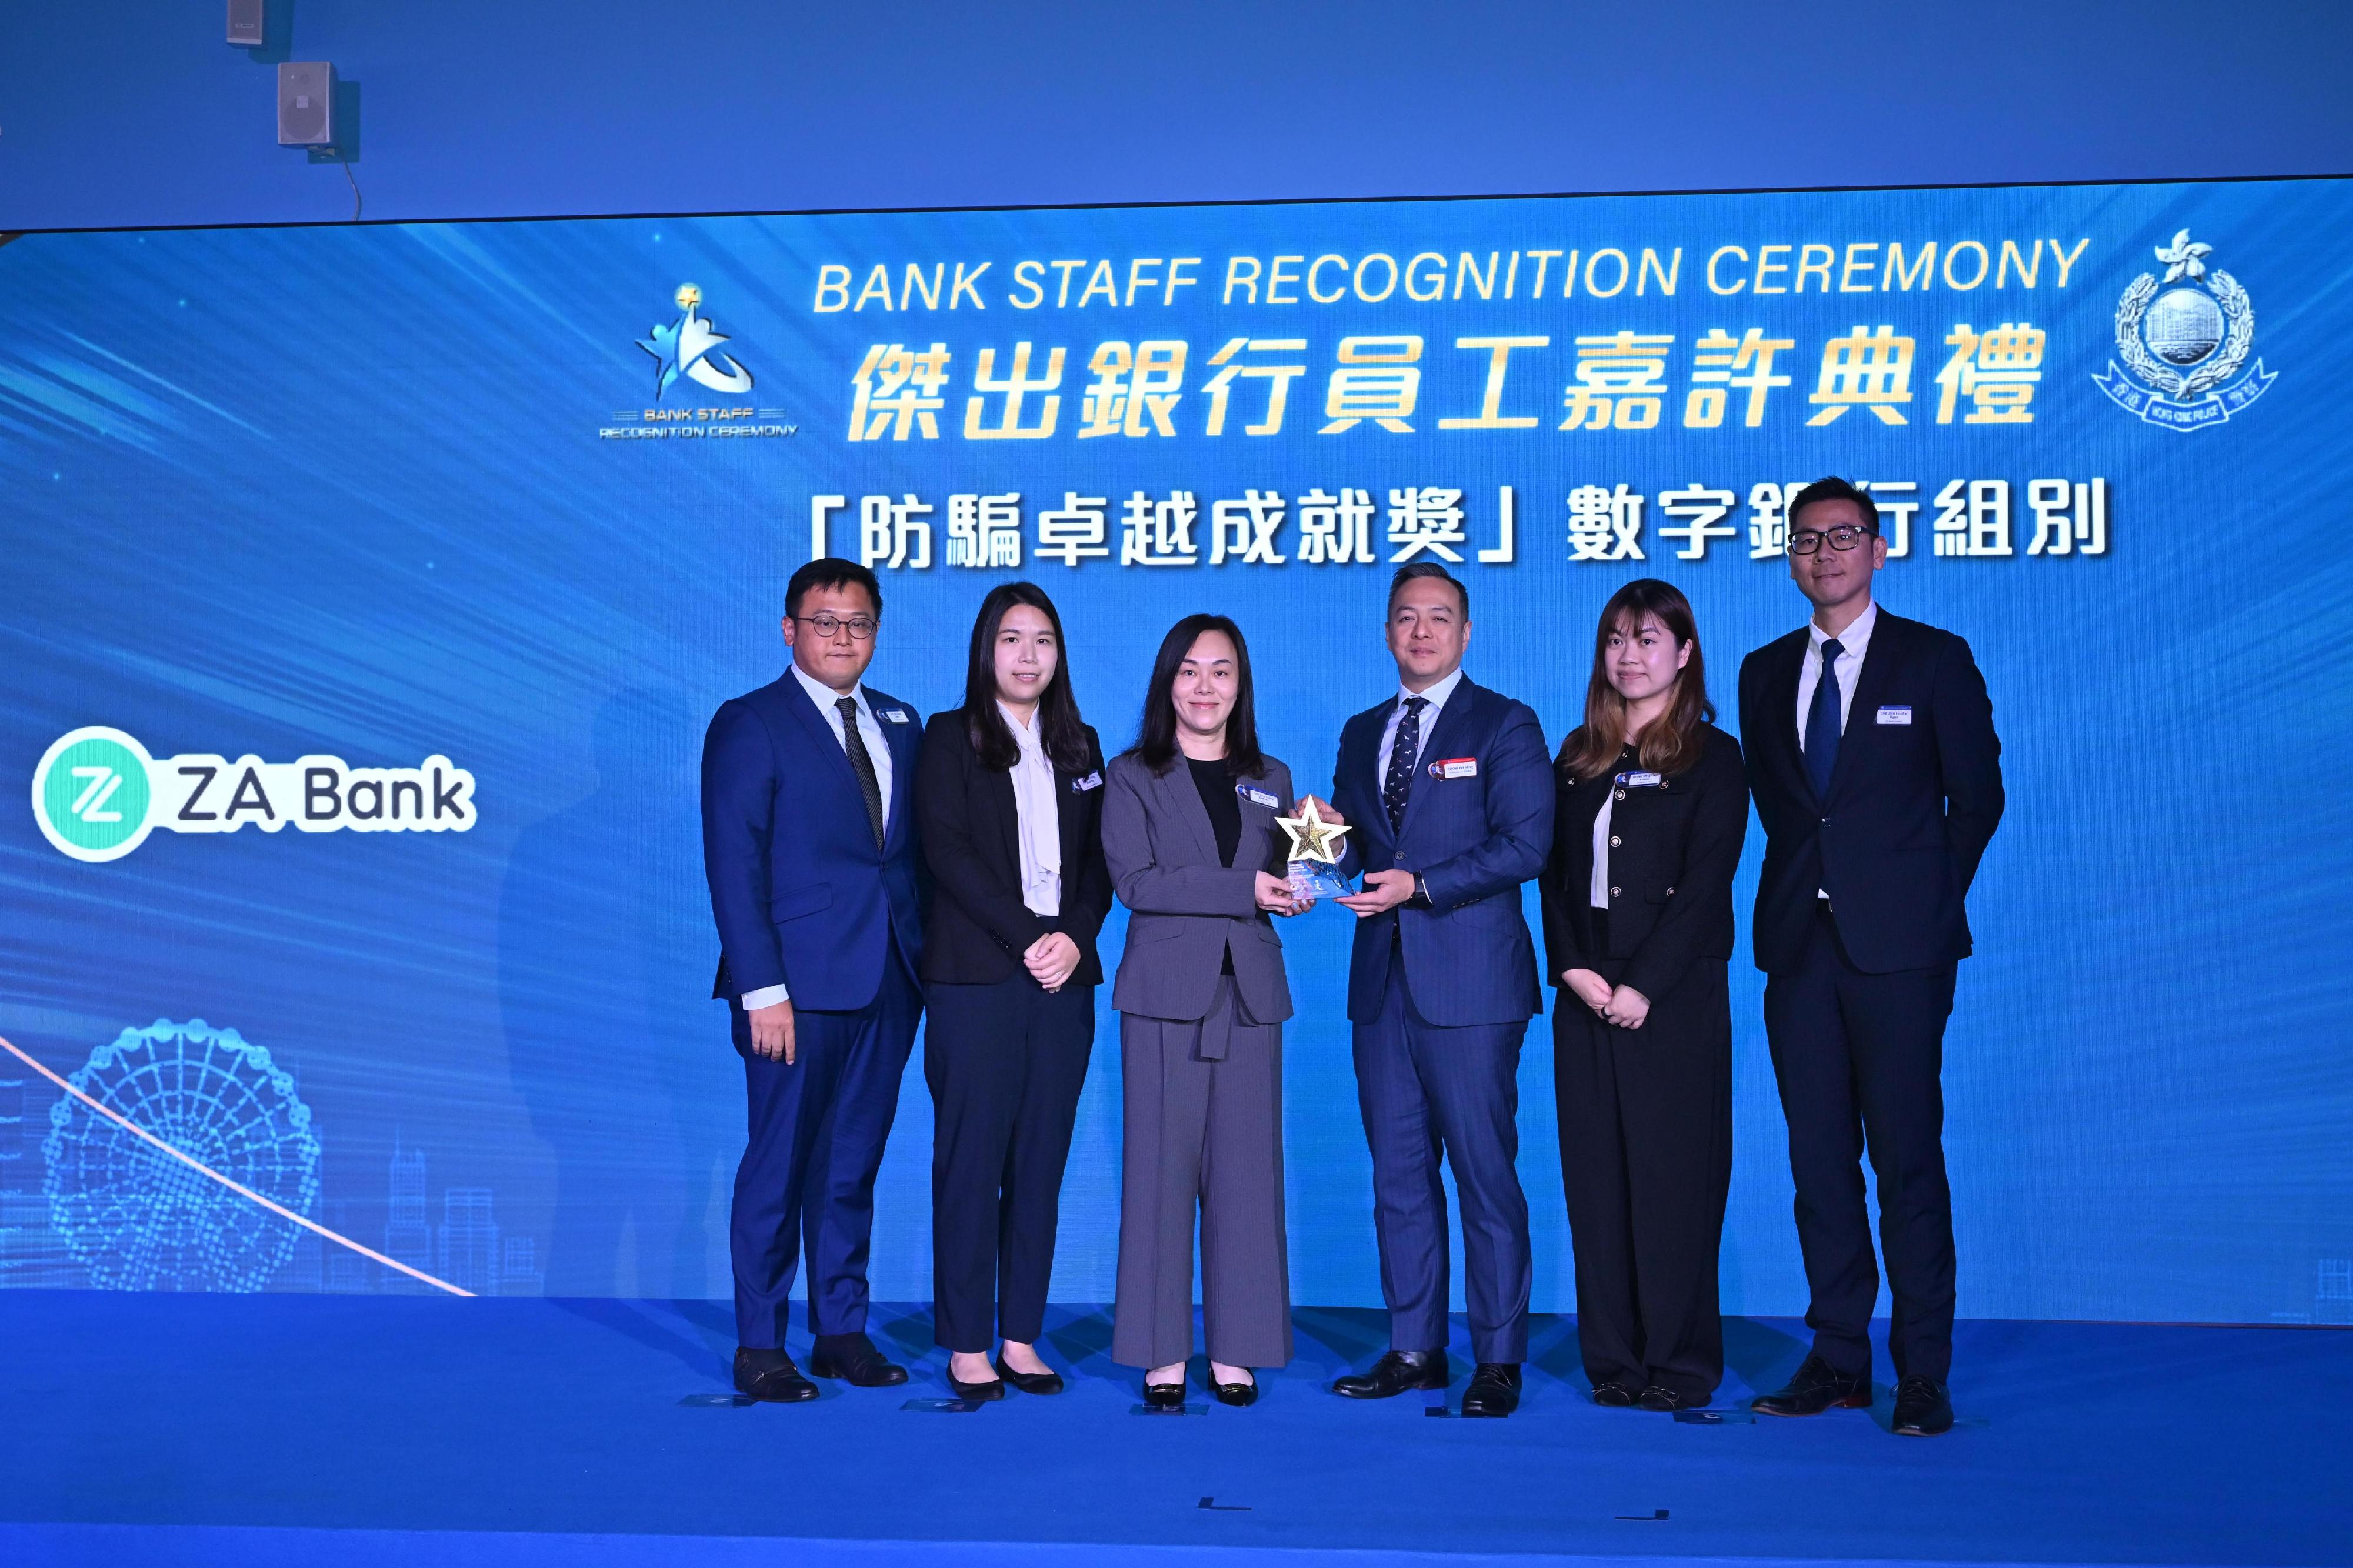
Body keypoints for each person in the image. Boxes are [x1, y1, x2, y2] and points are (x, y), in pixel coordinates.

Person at [1739, 477, 2004, 1439]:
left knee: (1906, 1159)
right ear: (1790, 556)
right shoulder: (1765, 670)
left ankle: (1922, 1370)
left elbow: (1977, 798)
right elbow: (1787, 810)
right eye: (1807, 540)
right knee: (1819, 1163)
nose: (1826, 554)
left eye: (1844, 536)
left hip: (1899, 955)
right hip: (1799, 952)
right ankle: (1839, 1357)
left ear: (1879, 548)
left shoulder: (1933, 660)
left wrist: (1920, 901)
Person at [1309, 563, 1554, 1419]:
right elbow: (1352, 850)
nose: (1421, 632)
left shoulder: (1505, 724)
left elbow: (1527, 845)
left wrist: (1421, 884)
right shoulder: (1362, 729)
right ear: (1386, 631)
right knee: (1399, 1176)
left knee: (1485, 1173)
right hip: (1382, 985)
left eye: (1439, 617)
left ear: (1466, 631)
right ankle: (1416, 1345)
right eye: (1406, 618)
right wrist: (1315, 844)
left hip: (1473, 984)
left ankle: (1498, 1357)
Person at [700, 557, 926, 1402]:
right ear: (790, 628)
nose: (843, 636)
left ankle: (840, 1329)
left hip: (890, 981)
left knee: (850, 1166)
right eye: (826, 621)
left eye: (859, 622)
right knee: (779, 1166)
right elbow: (734, 863)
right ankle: (760, 1343)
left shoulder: (901, 721)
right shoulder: (750, 723)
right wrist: (762, 988)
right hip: (791, 993)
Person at [1539, 580, 1747, 1412]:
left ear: (1686, 653)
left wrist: (1643, 985)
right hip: (1586, 992)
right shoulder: (1577, 754)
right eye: (1617, 640)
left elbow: (1706, 888)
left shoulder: (1713, 757)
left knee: (1674, 1179)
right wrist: (1574, 969)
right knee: (1598, 1182)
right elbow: (1552, 876)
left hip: (1674, 1001)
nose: (1630, 655)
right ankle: (1615, 1362)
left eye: (1649, 639)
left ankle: (1680, 1361)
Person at [1101, 614, 1306, 1410]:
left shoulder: (1272, 775)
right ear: (1167, 682)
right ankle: (1160, 1350)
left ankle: (1239, 1347)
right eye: (1190, 670)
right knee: (1159, 1172)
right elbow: (1139, 883)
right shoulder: (1131, 775)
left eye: (1222, 671)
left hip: (1250, 994)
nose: (1206, 686)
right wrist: (1245, 890)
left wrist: (1299, 885)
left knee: (1248, 1175)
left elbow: (1284, 876)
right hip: (1163, 997)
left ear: (1240, 686)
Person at [914, 582, 1112, 1400]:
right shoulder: (948, 737)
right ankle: (967, 1341)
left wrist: (1076, 934)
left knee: (1040, 1160)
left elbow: (1104, 861)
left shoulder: (1082, 743)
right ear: (984, 650)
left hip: (1064, 981)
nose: (1028, 656)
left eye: (1042, 641)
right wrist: (1032, 934)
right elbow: (948, 855)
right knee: (972, 1162)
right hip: (978, 981)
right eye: (1011, 639)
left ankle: (1021, 1334)